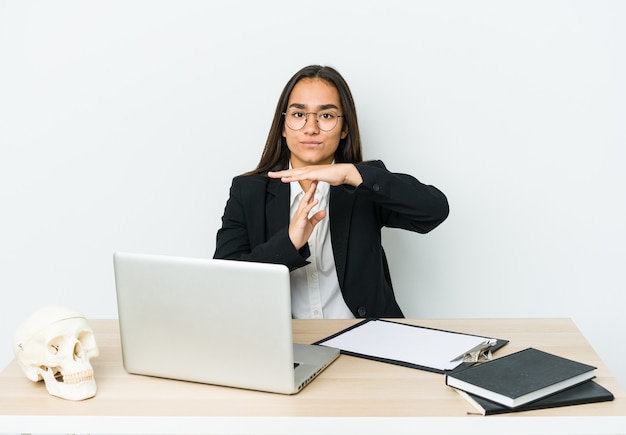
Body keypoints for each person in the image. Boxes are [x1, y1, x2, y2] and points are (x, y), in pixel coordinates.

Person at [214, 65, 449, 319]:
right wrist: (290, 242)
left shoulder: (363, 184)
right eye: (298, 114)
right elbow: (226, 283)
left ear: (344, 128)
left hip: (368, 338)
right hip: (288, 344)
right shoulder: (248, 191)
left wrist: (352, 175)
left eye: (326, 116)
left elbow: (434, 211)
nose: (311, 127)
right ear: (283, 126)